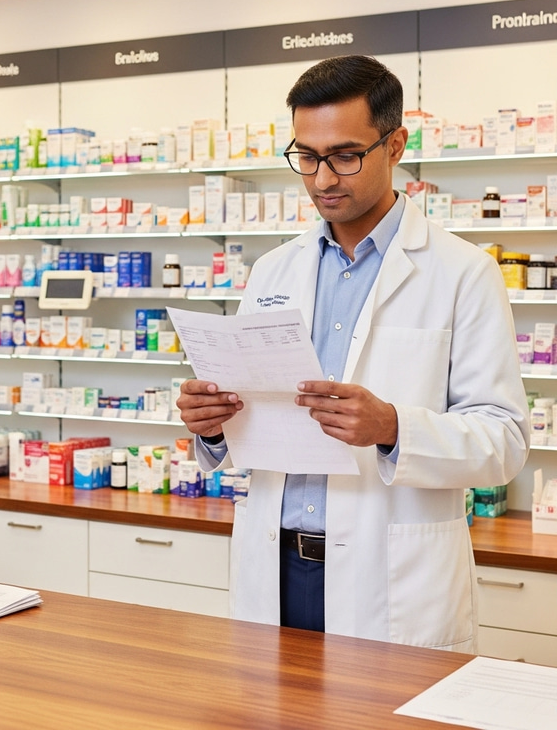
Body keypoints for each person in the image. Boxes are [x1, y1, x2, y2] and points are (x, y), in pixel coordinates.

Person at [177, 54, 529, 652]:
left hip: (389, 576)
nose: (322, 179)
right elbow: (253, 418)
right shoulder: (271, 271)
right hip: (276, 567)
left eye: (344, 155)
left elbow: (506, 442)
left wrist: (393, 427)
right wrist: (211, 425)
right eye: (307, 157)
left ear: (395, 145)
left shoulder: (463, 272)